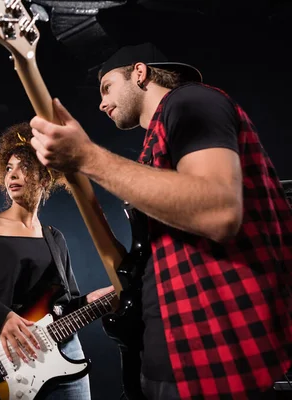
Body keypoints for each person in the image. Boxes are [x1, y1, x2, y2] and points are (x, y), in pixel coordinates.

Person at [29, 42, 292, 399]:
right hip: (173, 343)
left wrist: (88, 158)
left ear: (140, 72)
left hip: (213, 352)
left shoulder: (192, 101)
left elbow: (218, 212)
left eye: (107, 87)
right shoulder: (155, 142)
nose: (102, 103)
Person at [0, 122, 113, 400]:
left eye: (24, 167)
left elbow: (64, 306)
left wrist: (93, 301)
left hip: (63, 353)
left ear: (44, 178)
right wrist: (0, 316)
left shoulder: (55, 238)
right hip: (8, 359)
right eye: (8, 168)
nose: (13, 175)